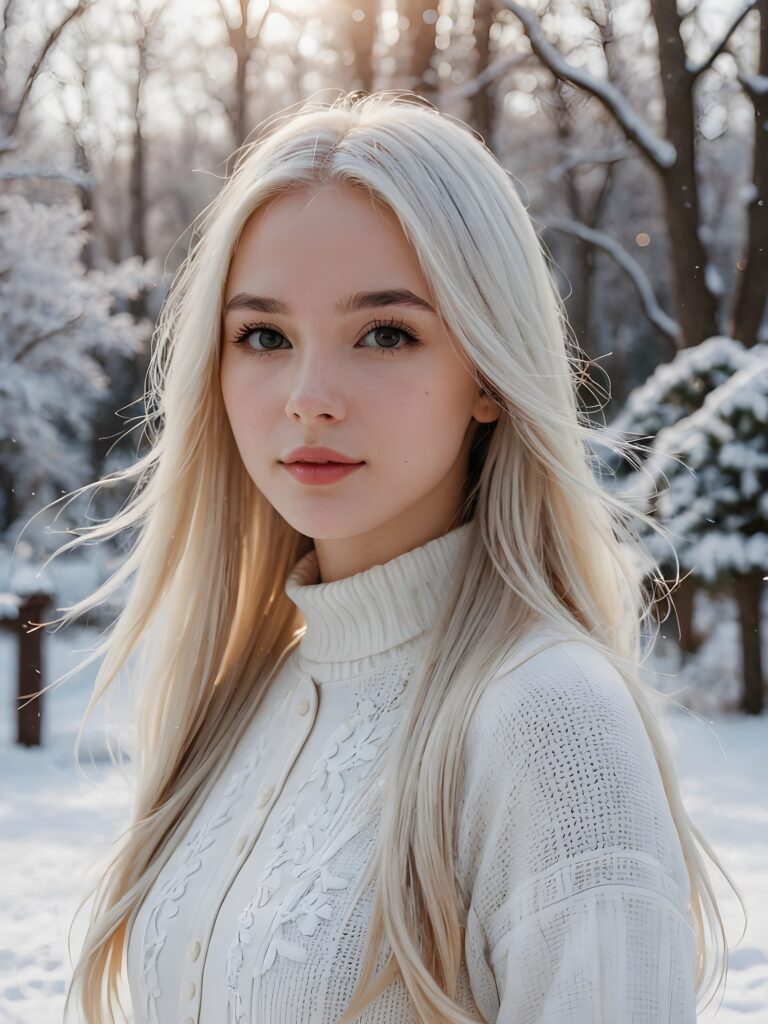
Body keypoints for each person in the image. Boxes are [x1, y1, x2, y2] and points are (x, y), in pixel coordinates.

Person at [56, 91, 739, 1024]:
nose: (309, 396)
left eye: (386, 333)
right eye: (264, 335)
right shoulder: (246, 695)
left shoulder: (551, 723)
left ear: (490, 375)